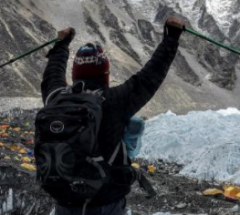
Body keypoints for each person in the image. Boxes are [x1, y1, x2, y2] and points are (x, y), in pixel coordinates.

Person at [40, 17, 184, 215]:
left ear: (75, 73)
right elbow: (151, 75)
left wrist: (61, 44)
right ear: (105, 74)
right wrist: (171, 37)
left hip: (64, 204)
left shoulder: (55, 98)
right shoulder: (115, 101)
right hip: (105, 206)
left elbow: (52, 73)